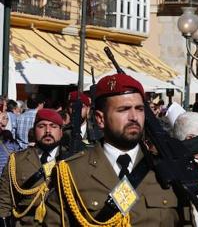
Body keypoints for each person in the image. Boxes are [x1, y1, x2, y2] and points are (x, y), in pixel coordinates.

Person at [44, 73, 187, 226]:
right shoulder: (72, 173)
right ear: (100, 119)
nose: (134, 117)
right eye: (123, 109)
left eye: (139, 109)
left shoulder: (168, 169)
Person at [0, 109, 64, 225]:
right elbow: (5, 199)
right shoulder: (17, 160)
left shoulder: (72, 160)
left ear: (61, 132)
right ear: (34, 131)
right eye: (42, 126)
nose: (48, 131)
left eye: (53, 126)